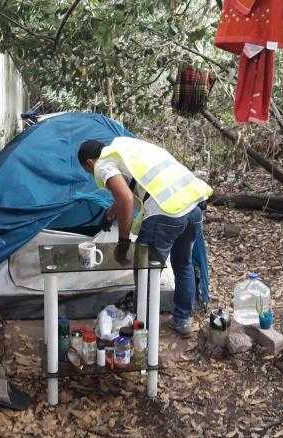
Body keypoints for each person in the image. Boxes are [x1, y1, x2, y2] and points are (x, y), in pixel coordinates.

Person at [78, 137, 213, 335]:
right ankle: (182, 320)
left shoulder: (102, 164)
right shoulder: (127, 147)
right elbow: (131, 189)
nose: (94, 174)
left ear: (90, 163)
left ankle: (143, 328)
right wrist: (111, 213)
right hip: (193, 207)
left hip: (165, 213)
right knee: (183, 264)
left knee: (145, 271)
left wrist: (123, 243)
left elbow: (125, 198)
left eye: (89, 171)